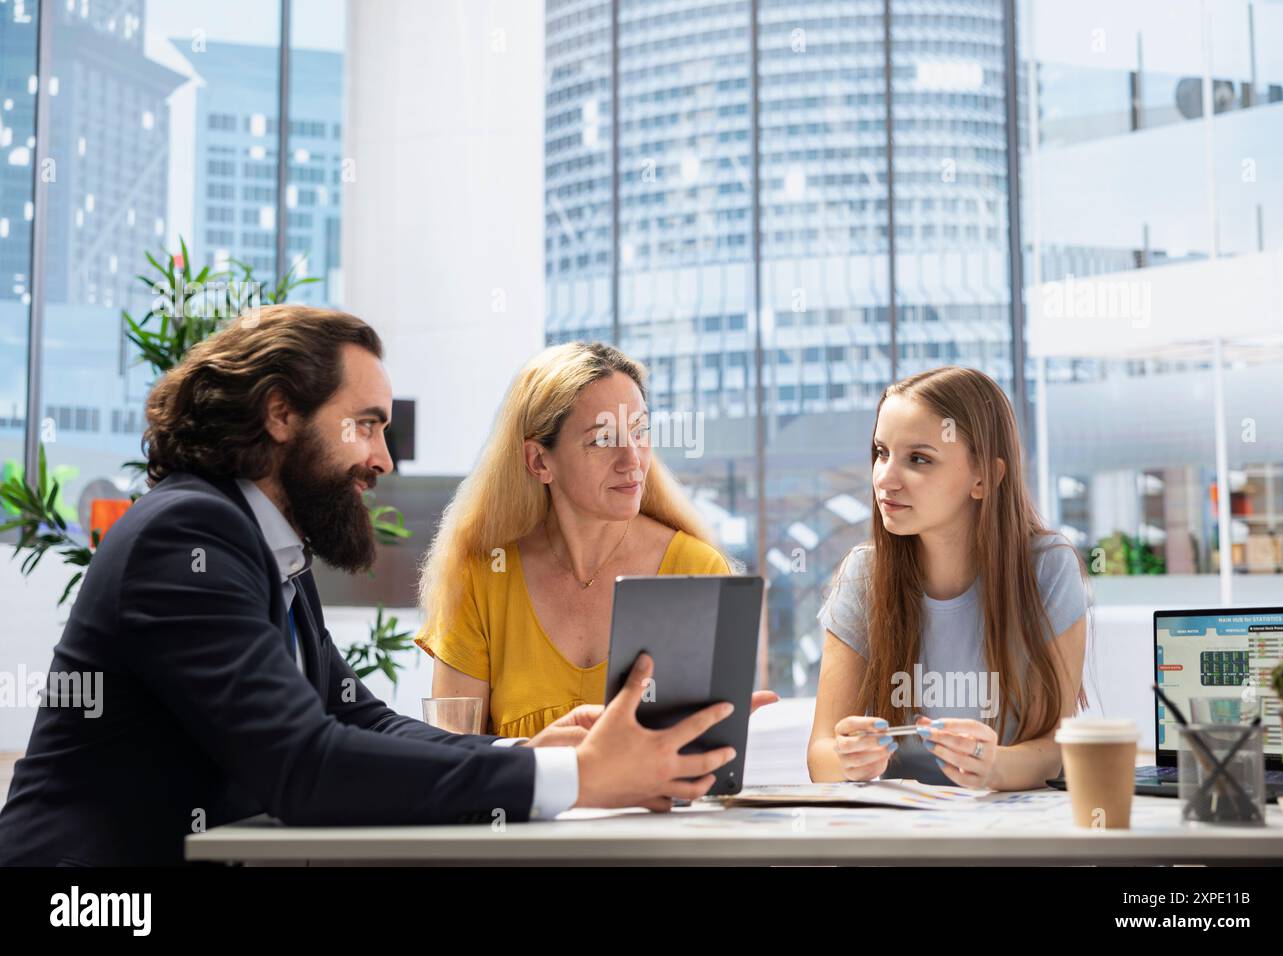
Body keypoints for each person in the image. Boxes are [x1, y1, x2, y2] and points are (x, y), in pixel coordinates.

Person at [0, 306, 736, 866]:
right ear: (281, 413)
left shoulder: (266, 550)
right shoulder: (186, 536)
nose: (383, 459)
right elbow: (306, 764)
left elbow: (362, 721)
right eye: (366, 425)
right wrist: (577, 777)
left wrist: (526, 760)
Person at [416, 341, 778, 737]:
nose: (632, 459)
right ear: (539, 461)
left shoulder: (695, 569)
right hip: (521, 803)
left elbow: (707, 763)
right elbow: (454, 757)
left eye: (639, 432)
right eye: (603, 439)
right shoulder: (481, 576)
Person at [807, 365, 1091, 790]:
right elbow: (821, 754)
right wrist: (849, 759)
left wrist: (993, 765)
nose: (885, 478)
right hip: (901, 835)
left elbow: (1056, 748)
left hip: (1009, 833)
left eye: (918, 459)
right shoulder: (862, 576)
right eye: (881, 453)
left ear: (985, 477)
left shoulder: (1046, 567)